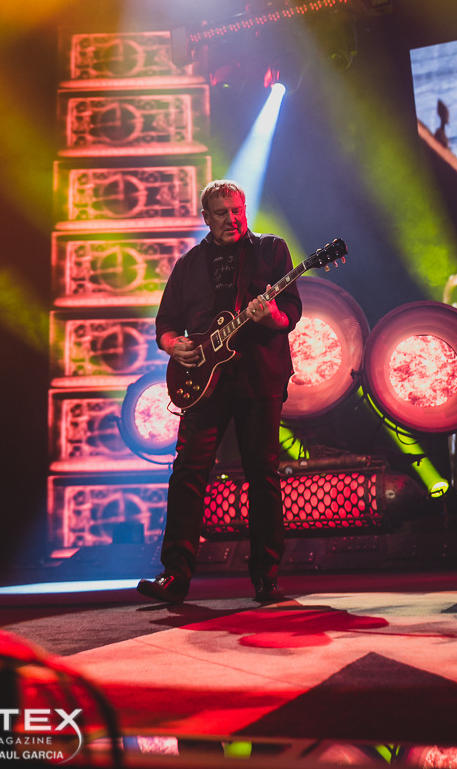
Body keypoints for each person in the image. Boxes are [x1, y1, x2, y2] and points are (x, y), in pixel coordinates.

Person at [137, 179, 302, 605]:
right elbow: (166, 324)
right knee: (189, 472)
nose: (232, 218)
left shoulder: (271, 250)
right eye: (221, 212)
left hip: (258, 378)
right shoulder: (189, 265)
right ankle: (175, 575)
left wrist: (270, 318)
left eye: (237, 209)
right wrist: (175, 345)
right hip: (201, 384)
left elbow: (293, 313)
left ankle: (265, 575)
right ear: (205, 217)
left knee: (262, 475)